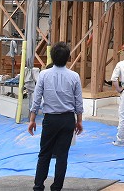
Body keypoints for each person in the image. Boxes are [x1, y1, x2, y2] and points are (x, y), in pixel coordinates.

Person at [28, 42, 84, 191]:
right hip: (67, 119)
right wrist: (79, 121)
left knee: (44, 153)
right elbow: (79, 101)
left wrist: (32, 119)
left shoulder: (44, 74)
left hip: (50, 119)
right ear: (68, 58)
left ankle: (38, 186)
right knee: (62, 155)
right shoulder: (74, 76)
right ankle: (57, 187)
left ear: (51, 57)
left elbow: (37, 98)